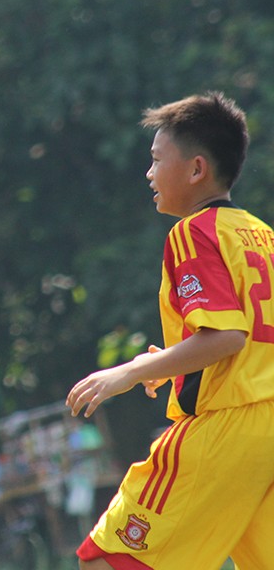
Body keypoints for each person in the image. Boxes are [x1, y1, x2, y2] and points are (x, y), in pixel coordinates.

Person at [67, 92, 274, 569]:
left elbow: (226, 336)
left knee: (107, 559)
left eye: (157, 160)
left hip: (225, 428)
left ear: (196, 169)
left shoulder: (194, 232)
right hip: (265, 434)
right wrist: (174, 363)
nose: (149, 173)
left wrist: (131, 372)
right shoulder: (260, 233)